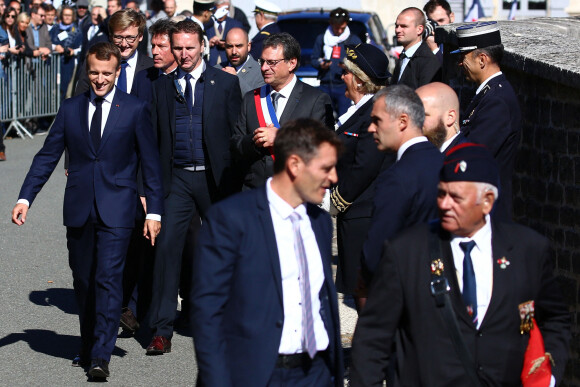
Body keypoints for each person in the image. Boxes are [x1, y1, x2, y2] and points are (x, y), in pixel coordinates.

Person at [350, 143, 570, 386]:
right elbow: (373, 337)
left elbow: (555, 318)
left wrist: (547, 375)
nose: (444, 204)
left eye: (456, 197)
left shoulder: (528, 250)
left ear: (487, 201)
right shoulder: (407, 252)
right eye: (441, 194)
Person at [11, 42, 164, 380]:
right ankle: (87, 343)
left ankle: (100, 355)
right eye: (94, 72)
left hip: (119, 209)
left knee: (107, 279)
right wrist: (25, 198)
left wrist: (154, 212)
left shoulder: (135, 109)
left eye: (107, 73)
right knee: (84, 281)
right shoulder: (70, 109)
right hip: (79, 207)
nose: (99, 79)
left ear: (118, 72)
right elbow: (47, 157)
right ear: (86, 71)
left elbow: (151, 165)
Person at [192, 118, 344, 387]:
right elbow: (208, 313)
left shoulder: (320, 224)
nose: (334, 178)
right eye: (326, 168)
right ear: (295, 165)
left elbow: (321, 300)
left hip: (316, 373)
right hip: (257, 374)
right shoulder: (231, 219)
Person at [146, 18, 242, 355]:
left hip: (215, 180)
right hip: (178, 179)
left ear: (202, 45)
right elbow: (153, 142)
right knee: (167, 251)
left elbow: (236, 136)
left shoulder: (225, 85)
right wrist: (150, 190)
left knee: (221, 251)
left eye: (189, 48)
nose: (184, 54)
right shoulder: (161, 87)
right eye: (178, 48)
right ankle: (161, 330)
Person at [330, 43, 393, 312]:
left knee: (365, 289)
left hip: (363, 212)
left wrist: (337, 200)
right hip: (355, 213)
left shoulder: (372, 114)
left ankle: (372, 349)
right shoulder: (357, 111)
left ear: (359, 80)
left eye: (345, 72)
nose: (341, 76)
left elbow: (365, 166)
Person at [361, 85, 443, 285]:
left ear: (403, 121)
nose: (371, 128)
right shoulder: (445, 163)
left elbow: (375, 255)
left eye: (376, 120)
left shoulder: (396, 178)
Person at [232, 32, 334, 190]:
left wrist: (281, 138)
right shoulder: (251, 98)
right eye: (262, 61)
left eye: (272, 62)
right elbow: (236, 144)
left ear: (292, 63)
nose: (264, 68)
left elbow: (324, 148)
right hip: (256, 193)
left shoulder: (315, 100)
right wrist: (255, 140)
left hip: (296, 192)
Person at [455, 21, 520, 222]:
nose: (460, 64)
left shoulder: (496, 100)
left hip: (486, 211)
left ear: (482, 59)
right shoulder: (489, 94)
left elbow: (474, 153)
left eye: (463, 57)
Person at [75, 8, 153, 96]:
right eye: (118, 37)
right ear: (111, 36)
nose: (124, 44)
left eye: (130, 38)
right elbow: (80, 100)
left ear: (140, 36)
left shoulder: (151, 68)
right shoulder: (94, 62)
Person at [311, 8, 361, 117]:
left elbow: (360, 62)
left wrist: (348, 66)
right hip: (325, 85)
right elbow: (314, 59)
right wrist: (321, 65)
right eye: (336, 28)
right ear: (331, 23)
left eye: (341, 28)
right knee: (324, 118)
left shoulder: (353, 40)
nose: (338, 31)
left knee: (344, 118)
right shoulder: (322, 39)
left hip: (344, 87)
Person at [391, 7, 441, 89]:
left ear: (419, 29)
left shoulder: (427, 61)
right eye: (397, 26)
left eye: (404, 26)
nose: (398, 30)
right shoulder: (403, 56)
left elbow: (425, 96)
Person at [416, 81, 466, 152]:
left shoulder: (466, 158)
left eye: (422, 115)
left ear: (450, 117)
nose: (414, 122)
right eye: (413, 115)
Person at [216, 26, 264, 95]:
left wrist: (236, 79)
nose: (234, 52)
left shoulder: (261, 73)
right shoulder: (216, 69)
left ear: (248, 46)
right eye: (229, 46)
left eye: (238, 46)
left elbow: (256, 101)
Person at [50, 5, 82, 101]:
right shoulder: (55, 28)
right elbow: (47, 43)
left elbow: (81, 48)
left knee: (67, 90)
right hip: (54, 64)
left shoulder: (77, 30)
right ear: (61, 16)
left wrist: (73, 51)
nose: (67, 17)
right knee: (54, 89)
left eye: (69, 15)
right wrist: (55, 47)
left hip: (69, 63)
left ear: (73, 16)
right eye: (65, 15)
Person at [205, 0, 242, 66]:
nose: (222, 14)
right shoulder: (207, 24)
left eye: (225, 10)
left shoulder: (236, 24)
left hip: (228, 65)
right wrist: (208, 43)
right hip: (209, 65)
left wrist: (227, 44)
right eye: (219, 10)